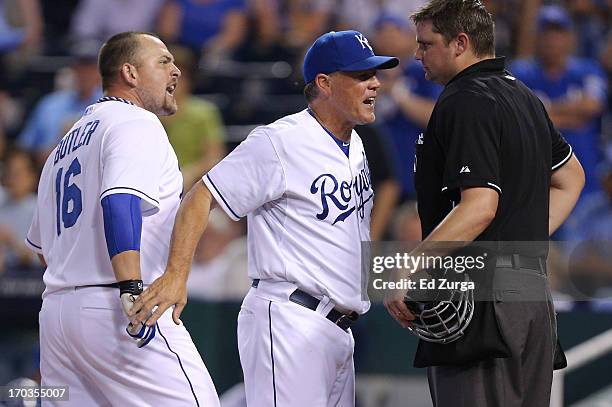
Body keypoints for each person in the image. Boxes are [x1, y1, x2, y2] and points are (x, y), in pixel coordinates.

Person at [129, 30, 399, 406]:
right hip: (292, 320)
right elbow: (201, 196)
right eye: (360, 75)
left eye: (375, 75)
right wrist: (176, 274)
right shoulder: (280, 141)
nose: (374, 84)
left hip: (338, 328)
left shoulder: (355, 144)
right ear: (324, 83)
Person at [382, 0, 585, 406]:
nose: (417, 54)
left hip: (482, 298)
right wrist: (517, 237)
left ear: (460, 43)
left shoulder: (464, 100)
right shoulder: (523, 95)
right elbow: (570, 178)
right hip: (531, 297)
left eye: (426, 44)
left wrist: (409, 266)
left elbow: (480, 205)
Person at [24, 32, 220, 406]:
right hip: (117, 305)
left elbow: (43, 251)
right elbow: (120, 201)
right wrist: (130, 289)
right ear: (129, 73)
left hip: (58, 314)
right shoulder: (135, 123)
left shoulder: (62, 148)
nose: (176, 70)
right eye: (163, 61)